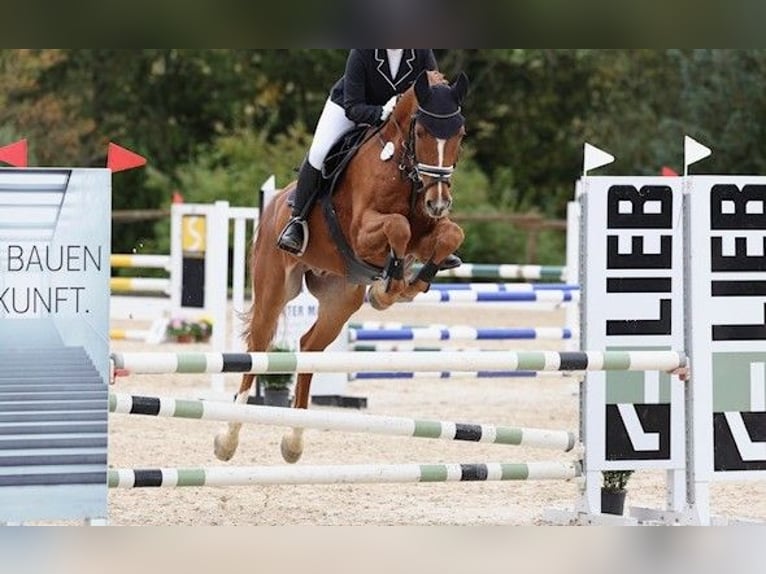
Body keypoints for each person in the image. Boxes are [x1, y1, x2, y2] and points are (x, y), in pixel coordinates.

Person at [276, 49, 461, 270]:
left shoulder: (421, 53)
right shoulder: (362, 52)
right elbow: (353, 107)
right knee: (319, 152)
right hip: (353, 108)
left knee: (422, 157)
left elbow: (432, 97)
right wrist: (382, 112)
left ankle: (433, 230)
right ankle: (297, 220)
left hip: (400, 120)